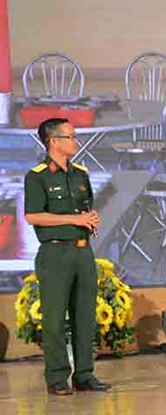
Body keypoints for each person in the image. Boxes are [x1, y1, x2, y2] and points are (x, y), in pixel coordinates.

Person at [24, 118, 111, 395]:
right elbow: (33, 216)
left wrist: (90, 219)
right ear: (53, 141)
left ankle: (84, 374)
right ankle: (57, 376)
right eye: (70, 137)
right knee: (53, 319)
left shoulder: (80, 174)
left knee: (85, 316)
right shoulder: (37, 176)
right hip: (55, 253)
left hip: (82, 252)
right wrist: (75, 221)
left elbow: (85, 208)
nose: (76, 141)